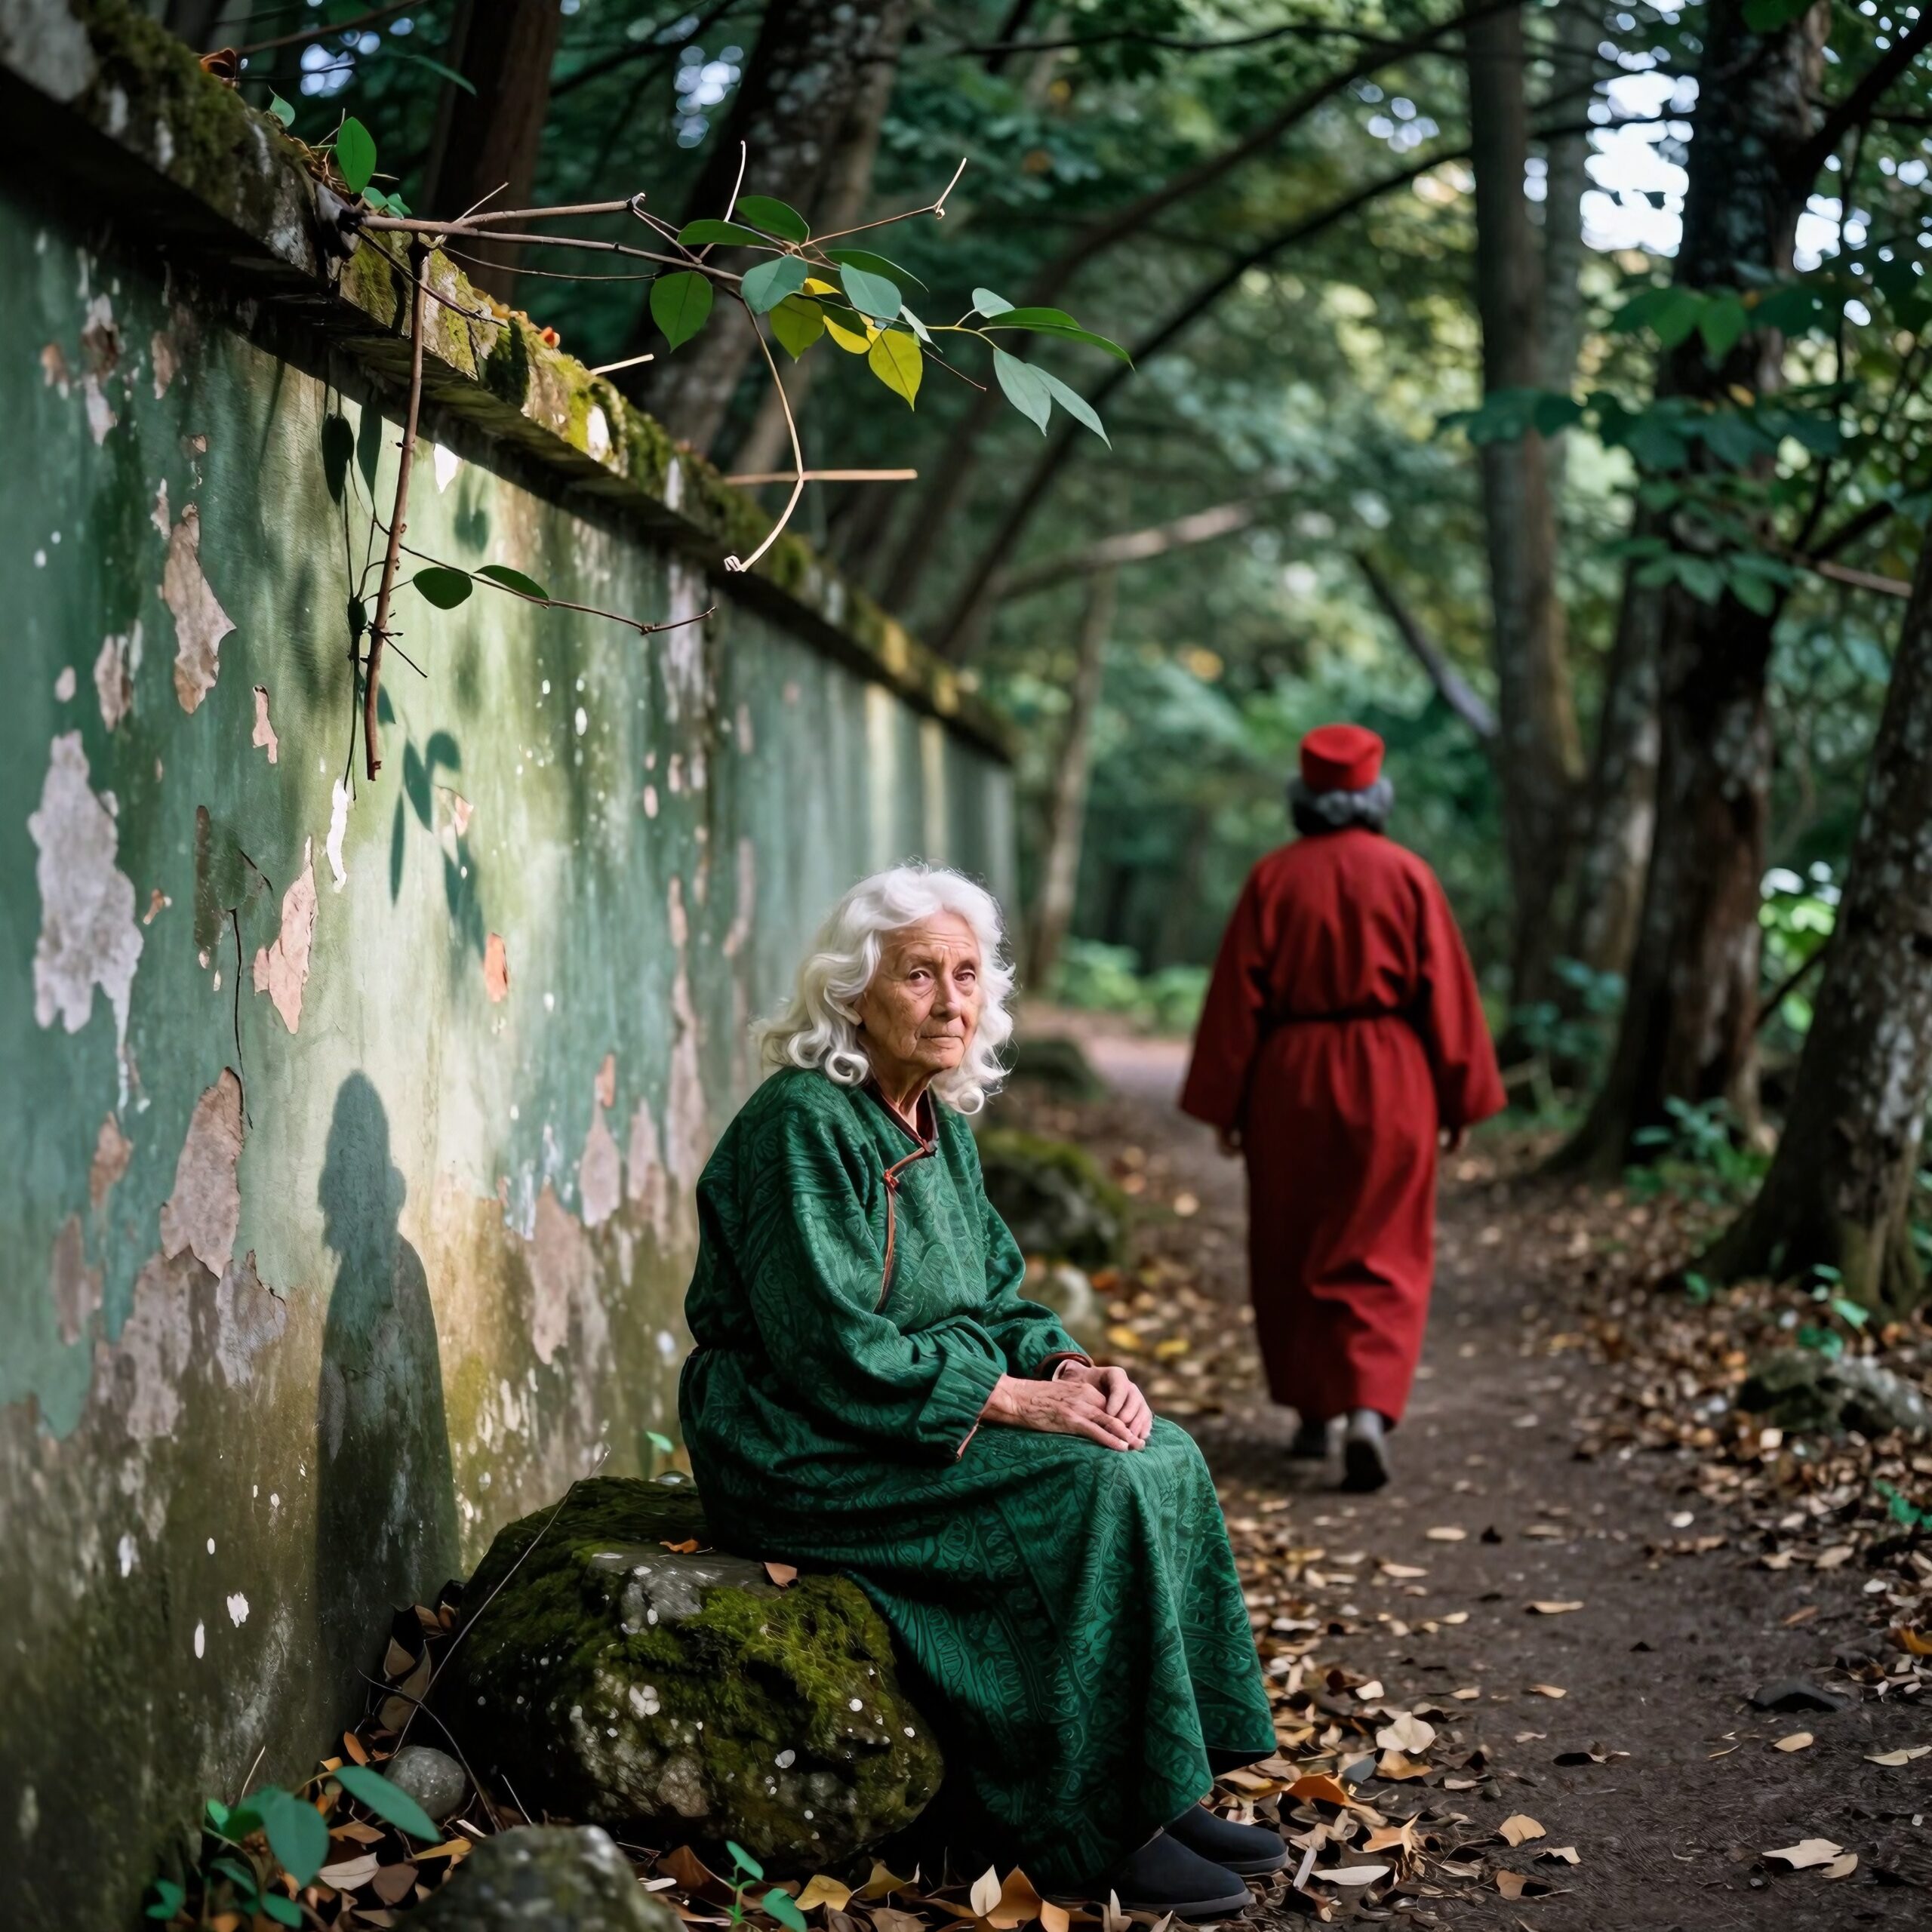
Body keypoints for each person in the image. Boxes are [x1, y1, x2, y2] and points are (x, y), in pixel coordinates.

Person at [681, 865, 1281, 1917]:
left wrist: (1072, 1371)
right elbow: (831, 1350)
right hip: (800, 1438)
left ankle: (1155, 1784)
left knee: (1163, 1453)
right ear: (851, 990)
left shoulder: (939, 1123)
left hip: (906, 1404)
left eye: (966, 975)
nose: (953, 999)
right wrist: (1015, 1403)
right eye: (919, 975)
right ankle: (1086, 1828)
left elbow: (999, 1294)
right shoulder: (800, 1123)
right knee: (1087, 1491)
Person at [1180, 725, 1505, 1492]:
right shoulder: (1409, 876)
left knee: (1292, 1241)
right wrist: (1459, 1095)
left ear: (1304, 797)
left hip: (1288, 1081)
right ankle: (1367, 1409)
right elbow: (1446, 994)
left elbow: (1237, 1000)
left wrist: (1226, 1102)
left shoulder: (1272, 879)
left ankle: (1311, 1414)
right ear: (1375, 795)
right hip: (1393, 1076)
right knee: (1383, 1246)